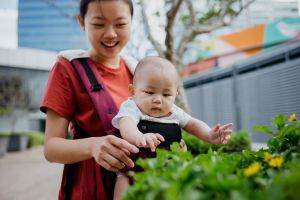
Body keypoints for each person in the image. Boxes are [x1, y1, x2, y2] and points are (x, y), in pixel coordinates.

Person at [40, 0, 140, 199]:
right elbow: (51, 148)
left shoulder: (138, 71)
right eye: (99, 24)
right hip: (89, 189)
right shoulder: (67, 69)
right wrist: (93, 146)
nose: (111, 34)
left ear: (131, 22)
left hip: (137, 186)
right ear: (82, 22)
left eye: (120, 24)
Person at [111, 56, 233, 200]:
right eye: (149, 92)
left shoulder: (174, 112)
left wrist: (209, 135)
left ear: (175, 94)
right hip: (135, 167)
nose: (158, 100)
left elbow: (193, 124)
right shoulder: (132, 107)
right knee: (124, 180)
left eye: (166, 94)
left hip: (167, 167)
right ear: (133, 90)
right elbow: (127, 125)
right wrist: (139, 137)